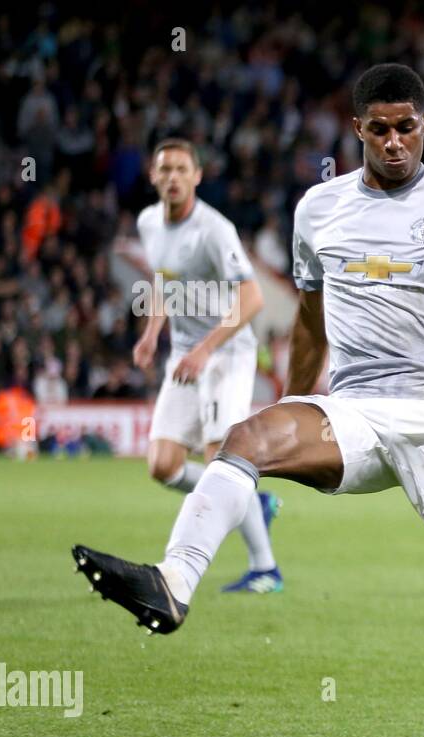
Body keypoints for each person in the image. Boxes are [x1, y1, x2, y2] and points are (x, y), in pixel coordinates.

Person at [73, 64, 424, 737]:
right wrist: (294, 401)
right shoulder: (318, 208)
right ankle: (174, 582)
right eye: (380, 129)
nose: (394, 143)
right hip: (356, 409)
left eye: (406, 128)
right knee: (243, 439)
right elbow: (308, 316)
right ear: (358, 128)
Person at [131, 139, 283, 594]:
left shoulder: (214, 229)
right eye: (165, 170)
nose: (173, 177)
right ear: (153, 176)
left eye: (182, 169)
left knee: (219, 458)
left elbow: (252, 297)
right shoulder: (148, 223)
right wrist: (151, 333)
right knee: (162, 464)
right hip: (184, 353)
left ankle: (265, 568)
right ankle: (253, 503)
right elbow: (162, 277)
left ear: (197, 176)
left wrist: (204, 349)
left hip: (227, 351)